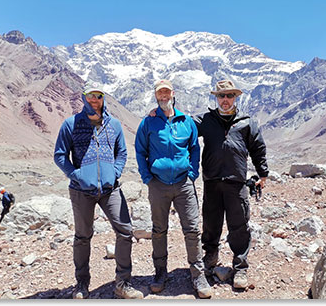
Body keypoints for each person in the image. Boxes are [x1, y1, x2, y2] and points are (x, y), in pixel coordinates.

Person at [54, 81, 143, 299]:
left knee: (125, 230)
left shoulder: (114, 125)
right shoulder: (70, 124)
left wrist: (115, 173)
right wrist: (77, 176)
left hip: (110, 189)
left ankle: (123, 282)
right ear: (83, 97)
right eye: (90, 96)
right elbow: (60, 155)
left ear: (104, 98)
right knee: (83, 236)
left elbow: (121, 153)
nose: (94, 100)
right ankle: (81, 284)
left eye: (98, 96)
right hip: (81, 190)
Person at [135, 79, 212, 298]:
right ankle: (160, 273)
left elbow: (194, 148)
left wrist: (192, 173)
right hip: (158, 185)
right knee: (159, 230)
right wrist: (147, 177)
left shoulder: (186, 121)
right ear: (156, 96)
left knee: (192, 229)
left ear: (173, 93)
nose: (164, 96)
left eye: (167, 92)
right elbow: (140, 151)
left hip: (183, 184)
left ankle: (198, 275)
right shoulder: (148, 123)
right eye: (160, 93)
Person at [194, 80, 268, 289]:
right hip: (212, 181)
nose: (225, 100)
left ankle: (241, 267)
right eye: (221, 96)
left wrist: (263, 173)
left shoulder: (247, 122)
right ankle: (210, 258)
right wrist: (159, 112)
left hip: (237, 183)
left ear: (236, 97)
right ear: (216, 98)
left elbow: (258, 148)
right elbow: (182, 125)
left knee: (239, 226)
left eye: (229, 96)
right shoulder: (205, 120)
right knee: (210, 222)